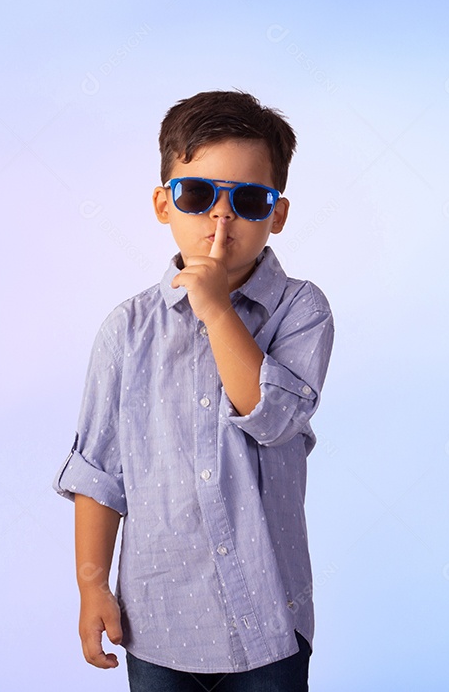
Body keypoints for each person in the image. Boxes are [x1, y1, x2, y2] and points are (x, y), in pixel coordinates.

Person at [53, 90, 334, 691]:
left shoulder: (300, 309)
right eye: (199, 195)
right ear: (164, 202)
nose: (220, 219)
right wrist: (92, 585)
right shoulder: (127, 330)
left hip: (269, 616)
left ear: (276, 215)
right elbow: (101, 472)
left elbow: (271, 415)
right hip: (159, 620)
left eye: (249, 201)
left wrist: (215, 311)